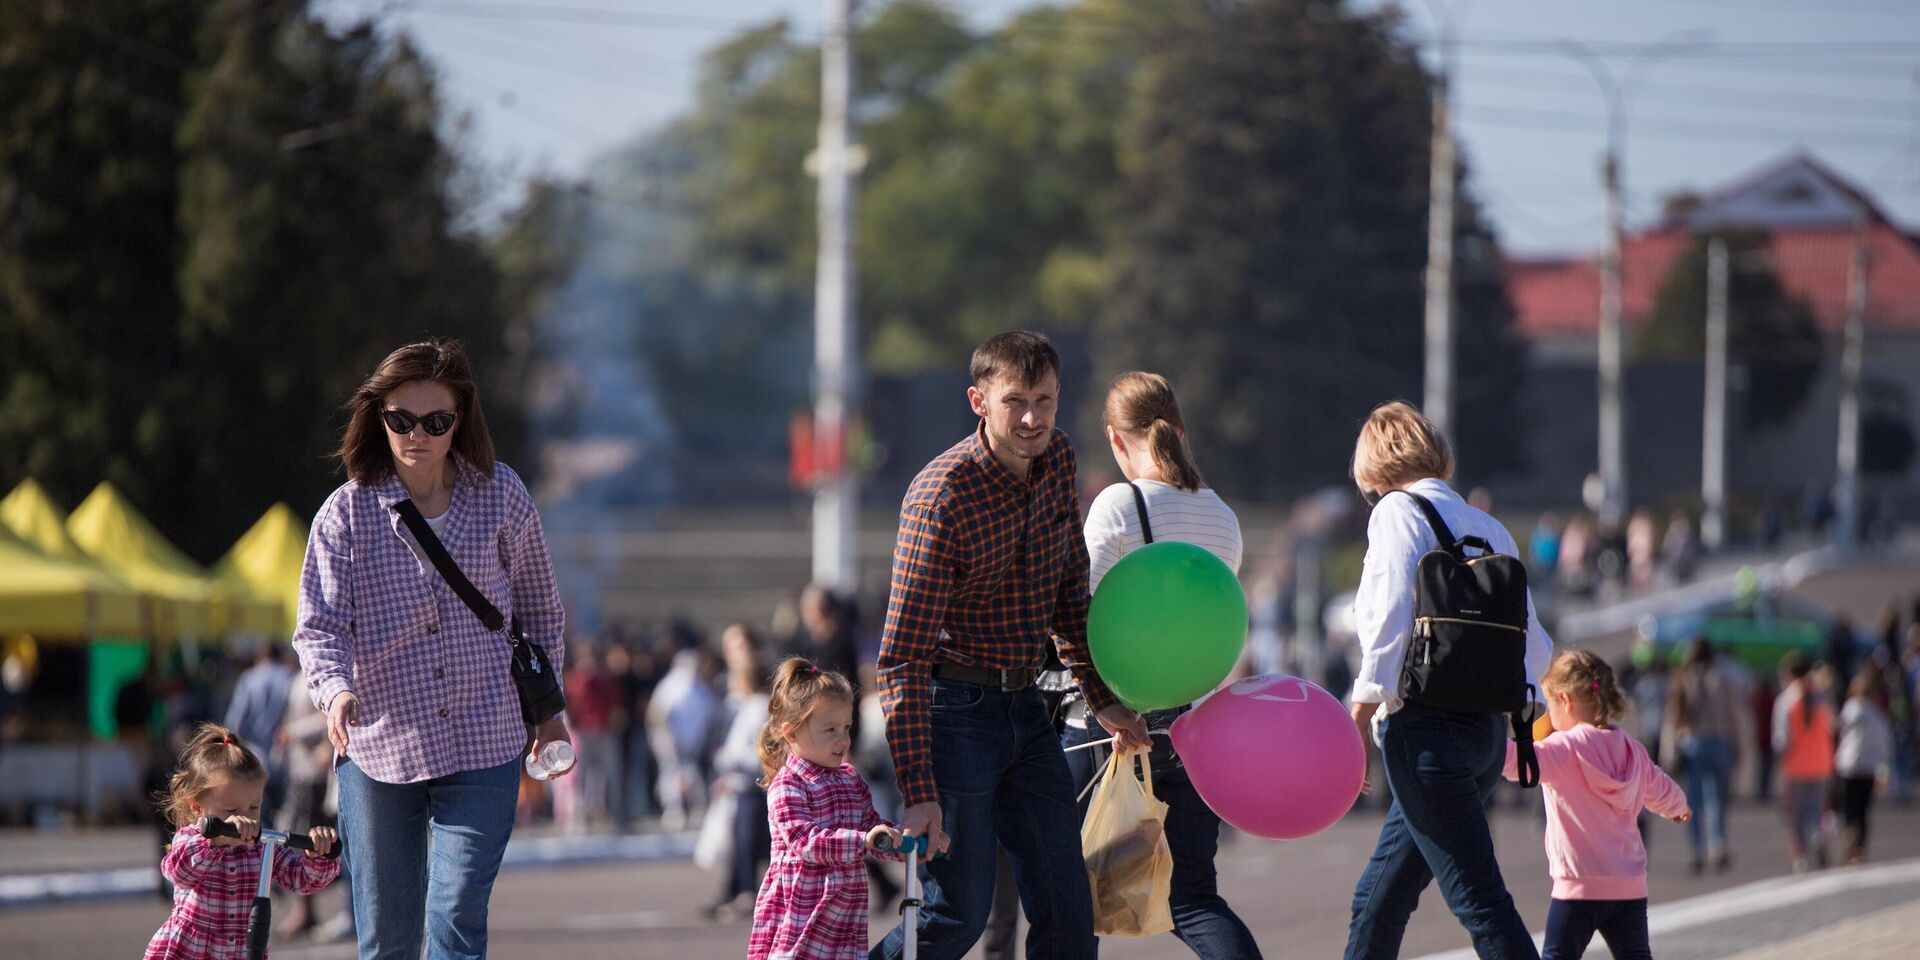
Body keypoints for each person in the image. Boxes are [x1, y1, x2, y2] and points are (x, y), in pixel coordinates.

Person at [872, 331, 1149, 960]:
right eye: (1014, 401)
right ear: (978, 401)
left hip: (1030, 707)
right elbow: (901, 657)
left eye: (1044, 401)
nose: (1031, 418)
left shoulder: (1060, 461)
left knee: (1069, 909)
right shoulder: (941, 496)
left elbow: (1070, 595)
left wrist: (1101, 696)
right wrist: (918, 790)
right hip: (955, 713)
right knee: (956, 917)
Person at [292, 339, 570, 960]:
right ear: (379, 418)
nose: (417, 435)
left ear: (460, 423)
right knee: (387, 938)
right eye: (401, 420)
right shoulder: (345, 515)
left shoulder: (502, 496)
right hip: (379, 746)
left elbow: (541, 612)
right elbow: (319, 627)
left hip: (486, 737)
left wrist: (548, 710)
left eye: (436, 421)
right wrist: (334, 692)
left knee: (455, 917)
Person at [1343, 401, 1552, 960]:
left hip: (1424, 736)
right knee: (1378, 900)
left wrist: (1359, 718)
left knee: (1482, 906)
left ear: (1376, 465)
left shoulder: (1395, 514)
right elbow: (1537, 645)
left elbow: (1389, 620)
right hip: (1485, 737)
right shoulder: (1490, 526)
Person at [1064, 370, 1260, 960]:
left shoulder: (1117, 505)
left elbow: (1084, 617)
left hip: (1107, 722)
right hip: (1190, 725)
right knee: (1194, 897)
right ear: (1179, 429)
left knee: (1072, 896)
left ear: (1115, 439)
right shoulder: (1221, 514)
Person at [1502, 652, 1690, 960]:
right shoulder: (1632, 749)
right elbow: (1658, 786)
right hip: (1628, 885)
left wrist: (1485, 741)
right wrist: (1678, 807)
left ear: (1564, 699)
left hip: (1578, 887)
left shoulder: (1564, 749)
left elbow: (1517, 765)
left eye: (1550, 706)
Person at [748, 658, 907, 960]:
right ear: (791, 733)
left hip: (844, 914)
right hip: (801, 917)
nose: (842, 739)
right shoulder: (789, 784)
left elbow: (872, 827)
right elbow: (805, 842)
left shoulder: (849, 777)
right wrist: (862, 840)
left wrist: (903, 842)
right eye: (830, 730)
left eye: (846, 727)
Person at [146, 723, 341, 960]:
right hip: (191, 951)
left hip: (240, 951)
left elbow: (302, 881)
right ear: (197, 807)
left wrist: (317, 855)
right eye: (231, 809)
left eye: (254, 807)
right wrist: (215, 840)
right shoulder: (192, 837)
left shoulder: (262, 846)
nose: (244, 816)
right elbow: (179, 872)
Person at [707, 623, 774, 919]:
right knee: (739, 841)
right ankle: (737, 890)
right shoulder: (729, 698)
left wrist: (730, 760)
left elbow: (755, 747)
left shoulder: (758, 703)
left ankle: (749, 892)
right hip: (736, 782)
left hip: (752, 784)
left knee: (751, 841)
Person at [1662, 638, 1743, 874]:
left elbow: (1672, 719)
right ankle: (1718, 846)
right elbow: (1733, 714)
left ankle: (1696, 850)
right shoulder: (1722, 678)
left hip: (1692, 743)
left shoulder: (1682, 679)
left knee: (1692, 802)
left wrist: (1669, 751)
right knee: (1717, 799)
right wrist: (1738, 744)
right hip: (1719, 741)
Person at [1772, 652, 1834, 872]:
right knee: (1818, 809)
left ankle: (1800, 856)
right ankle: (1819, 836)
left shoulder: (1786, 700)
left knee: (1796, 815)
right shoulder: (1821, 696)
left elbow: (1781, 739)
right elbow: (1832, 727)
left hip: (1795, 764)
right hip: (1821, 762)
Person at [1834, 667, 1894, 865]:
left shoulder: (1852, 708)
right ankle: (1860, 849)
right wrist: (1884, 771)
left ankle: (1849, 846)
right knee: (1863, 812)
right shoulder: (1879, 716)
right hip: (1869, 768)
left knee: (1848, 811)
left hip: (1849, 765)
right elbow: (1885, 746)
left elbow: (1838, 728)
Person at [564, 642, 622, 831]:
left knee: (610, 775)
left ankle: (614, 816)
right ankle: (579, 817)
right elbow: (570, 704)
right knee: (579, 778)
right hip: (583, 732)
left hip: (602, 731)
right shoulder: (575, 679)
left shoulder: (602, 679)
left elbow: (613, 705)